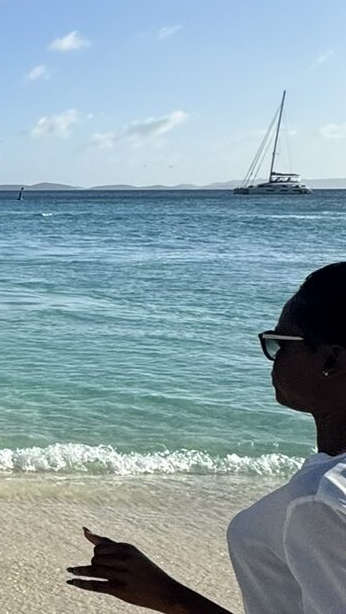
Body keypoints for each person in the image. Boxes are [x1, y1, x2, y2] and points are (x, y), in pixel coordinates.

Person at [67, 261, 346, 613]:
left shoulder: (322, 497)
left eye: (279, 344)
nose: (272, 359)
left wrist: (169, 596)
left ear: (331, 361)